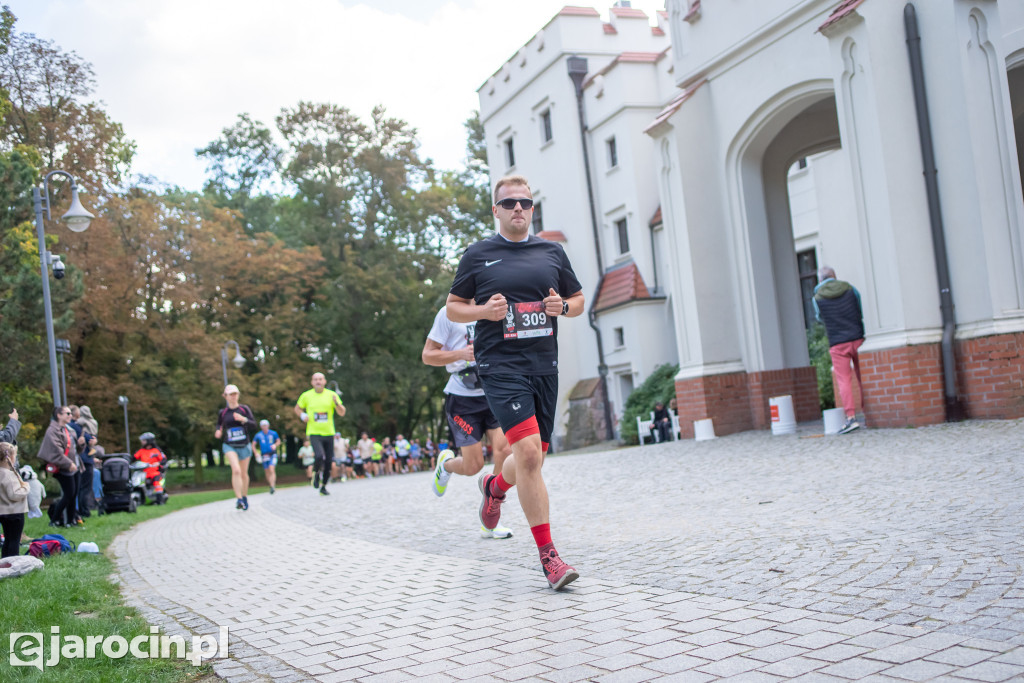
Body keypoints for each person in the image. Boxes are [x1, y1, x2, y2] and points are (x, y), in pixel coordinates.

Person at [446, 174, 585, 590]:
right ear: (496, 211)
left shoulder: (551, 252)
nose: (518, 209)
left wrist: (563, 307)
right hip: (500, 366)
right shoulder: (478, 255)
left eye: (525, 202)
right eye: (509, 204)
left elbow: (577, 301)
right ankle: (550, 558)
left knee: (533, 459)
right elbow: (454, 309)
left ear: (532, 207)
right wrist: (484, 312)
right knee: (526, 452)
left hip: (544, 366)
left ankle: (494, 485)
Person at [423, 304, 514, 539]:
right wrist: (460, 354)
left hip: (492, 392)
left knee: (504, 450)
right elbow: (428, 355)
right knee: (473, 466)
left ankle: (491, 517)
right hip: (462, 400)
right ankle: (446, 465)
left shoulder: (497, 306)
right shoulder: (449, 312)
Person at [813, 266, 865, 434]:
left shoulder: (817, 297)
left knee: (844, 381)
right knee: (862, 376)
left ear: (820, 280)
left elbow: (820, 317)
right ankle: (870, 413)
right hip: (857, 337)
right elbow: (859, 308)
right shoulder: (850, 288)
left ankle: (851, 418)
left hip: (837, 342)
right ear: (834, 276)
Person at [294, 372, 345, 496]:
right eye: (315, 379)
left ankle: (324, 486)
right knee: (318, 456)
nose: (318, 381)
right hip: (314, 432)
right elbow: (297, 408)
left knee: (328, 462)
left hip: (329, 433)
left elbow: (342, 412)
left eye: (320, 379)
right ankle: (316, 474)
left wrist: (337, 403)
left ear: (324, 381)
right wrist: (302, 415)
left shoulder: (332, 395)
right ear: (312, 382)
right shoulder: (306, 396)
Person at [214, 384, 257, 510]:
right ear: (225, 396)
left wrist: (243, 419)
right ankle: (238, 499)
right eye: (231, 394)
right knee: (236, 470)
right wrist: (218, 431)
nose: (233, 397)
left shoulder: (244, 409)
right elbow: (219, 425)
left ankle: (244, 496)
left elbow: (253, 425)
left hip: (244, 444)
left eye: (235, 394)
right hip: (229, 445)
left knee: (244, 473)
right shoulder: (223, 412)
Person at [37, 405, 80, 527]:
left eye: (70, 413)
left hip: (74, 466)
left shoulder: (67, 429)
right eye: (67, 413)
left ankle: (71, 521)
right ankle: (54, 520)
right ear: (59, 415)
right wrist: (68, 463)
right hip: (64, 468)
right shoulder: (52, 431)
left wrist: (81, 443)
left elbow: (75, 448)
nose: (70, 415)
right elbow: (56, 452)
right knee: (69, 494)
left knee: (73, 494)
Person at [0, 442, 28, 557]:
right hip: (14, 513)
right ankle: (12, 564)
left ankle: (4, 562)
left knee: (7, 540)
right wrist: (26, 487)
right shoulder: (9, 475)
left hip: (3, 512)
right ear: (11, 457)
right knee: (14, 541)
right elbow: (15, 494)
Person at [133, 432, 168, 502]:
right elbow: (133, 458)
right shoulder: (141, 451)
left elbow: (164, 459)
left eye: (143, 441)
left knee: (156, 482)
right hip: (144, 472)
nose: (142, 442)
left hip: (155, 472)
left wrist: (158, 463)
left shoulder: (156, 450)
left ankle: (159, 500)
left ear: (149, 441)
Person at [252, 419, 282, 494]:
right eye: (263, 426)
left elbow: (279, 441)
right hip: (264, 455)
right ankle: (271, 485)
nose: (264, 427)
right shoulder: (258, 435)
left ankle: (273, 486)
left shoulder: (273, 433)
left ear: (268, 426)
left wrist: (275, 445)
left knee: (271, 469)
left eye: (265, 425)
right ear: (261, 427)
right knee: (267, 471)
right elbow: (253, 444)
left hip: (272, 454)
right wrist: (256, 453)